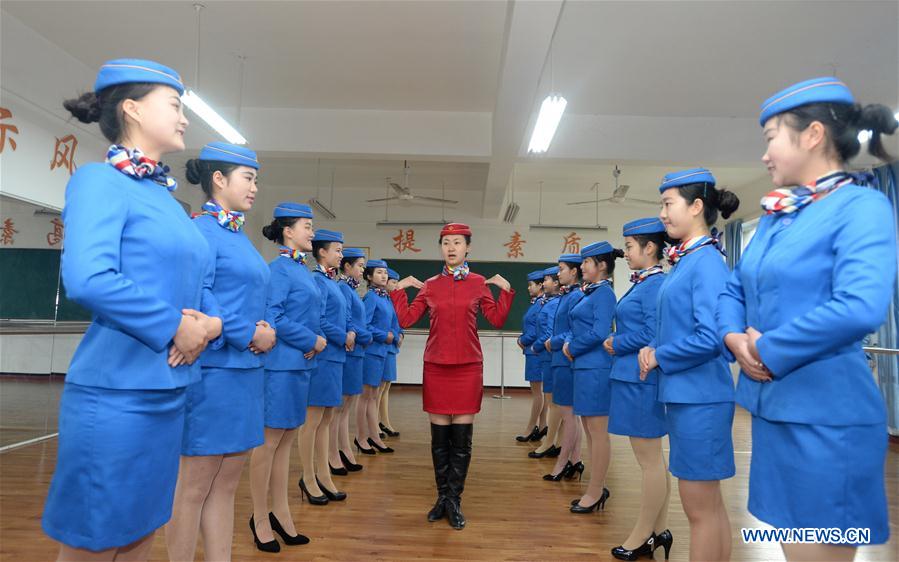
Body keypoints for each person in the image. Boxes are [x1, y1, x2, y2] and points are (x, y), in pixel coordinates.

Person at [43, 58, 221, 560]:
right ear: (132, 109)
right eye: (174, 105)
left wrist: (209, 323)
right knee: (96, 540)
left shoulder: (165, 198)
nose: (184, 118)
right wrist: (173, 327)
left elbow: (196, 282)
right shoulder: (100, 182)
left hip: (167, 392)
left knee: (143, 530)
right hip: (116, 395)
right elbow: (88, 277)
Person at [719, 77, 897, 561]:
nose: (765, 154)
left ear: (813, 134)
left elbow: (859, 304)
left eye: (771, 136)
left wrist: (765, 349)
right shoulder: (780, 216)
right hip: (774, 410)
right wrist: (736, 339)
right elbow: (735, 287)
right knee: (790, 549)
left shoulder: (862, 206)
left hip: (828, 419)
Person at [167, 143, 272, 562]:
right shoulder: (200, 231)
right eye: (248, 178)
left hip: (246, 372)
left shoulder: (237, 235)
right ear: (219, 179)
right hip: (215, 372)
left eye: (256, 180)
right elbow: (200, 292)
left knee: (226, 486)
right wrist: (248, 331)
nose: (254, 188)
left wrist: (263, 328)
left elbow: (245, 294)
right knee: (194, 487)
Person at [638, 167, 740, 561]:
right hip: (689, 397)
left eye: (668, 204)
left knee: (700, 509)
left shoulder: (706, 263)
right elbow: (680, 326)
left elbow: (712, 336)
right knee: (707, 507)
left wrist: (660, 354)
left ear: (696, 206)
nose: (662, 213)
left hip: (701, 399)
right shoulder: (688, 261)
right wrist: (654, 346)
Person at [391, 223, 514, 530]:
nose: (451, 247)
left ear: (467, 247)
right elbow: (406, 318)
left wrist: (506, 290)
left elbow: (497, 320)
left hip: (468, 367)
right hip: (436, 366)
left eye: (457, 242)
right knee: (439, 440)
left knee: (461, 441)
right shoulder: (430, 284)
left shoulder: (477, 283)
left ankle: (455, 500)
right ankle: (441, 498)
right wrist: (398, 291)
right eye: (446, 242)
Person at [248, 202, 321, 552]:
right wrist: (312, 339)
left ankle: (282, 512)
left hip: (300, 367)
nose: (312, 232)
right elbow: (271, 316)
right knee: (268, 446)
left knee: (286, 444)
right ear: (288, 231)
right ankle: (259, 517)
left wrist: (314, 343)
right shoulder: (278, 269)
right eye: (306, 226)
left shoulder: (302, 270)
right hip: (280, 367)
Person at [604, 218, 672, 560]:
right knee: (652, 460)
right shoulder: (645, 283)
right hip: (635, 378)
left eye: (630, 246)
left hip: (641, 378)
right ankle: (659, 531)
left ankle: (642, 534)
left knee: (649, 461)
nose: (626, 252)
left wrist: (617, 341)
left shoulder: (655, 285)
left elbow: (650, 334)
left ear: (649, 248)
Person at [299, 229, 349, 505]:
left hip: (335, 357)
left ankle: (322, 473)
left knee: (327, 419)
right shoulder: (317, 280)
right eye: (337, 250)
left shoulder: (332, 282)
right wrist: (343, 336)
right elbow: (317, 319)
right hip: (322, 355)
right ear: (322, 252)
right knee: (313, 420)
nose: (341, 255)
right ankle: (308, 477)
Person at [543, 254, 586, 482]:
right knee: (571, 417)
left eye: (561, 269)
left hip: (566, 359)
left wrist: (554, 341)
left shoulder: (577, 296)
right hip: (560, 360)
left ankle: (561, 464)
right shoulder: (568, 295)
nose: (558, 273)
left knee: (569, 416)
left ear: (574, 272)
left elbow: (574, 329)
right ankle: (575, 460)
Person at [329, 248, 372, 474]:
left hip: (357, 353)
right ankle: (334, 453)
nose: (362, 270)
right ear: (347, 267)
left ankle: (344, 449)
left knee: (346, 408)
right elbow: (347, 322)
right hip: (349, 351)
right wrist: (367, 336)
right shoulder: (343, 288)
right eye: (359, 266)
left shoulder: (352, 290)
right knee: (339, 408)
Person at [357, 259, 395, 454]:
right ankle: (362, 438)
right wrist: (384, 335)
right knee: (365, 397)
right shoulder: (371, 297)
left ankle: (374, 436)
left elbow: (393, 322)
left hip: (381, 352)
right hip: (371, 351)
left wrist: (395, 335)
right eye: (379, 272)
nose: (384, 276)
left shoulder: (385, 297)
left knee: (373, 397)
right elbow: (366, 325)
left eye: (385, 272)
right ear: (369, 277)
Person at [528, 267, 563, 459]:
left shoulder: (553, 304)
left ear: (556, 283)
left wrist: (536, 346)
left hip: (550, 356)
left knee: (553, 404)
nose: (544, 283)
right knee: (553, 404)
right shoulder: (549, 302)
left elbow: (549, 333)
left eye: (547, 280)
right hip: (547, 356)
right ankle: (553, 441)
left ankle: (550, 442)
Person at [515, 269, 549, 442]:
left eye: (531, 285)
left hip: (534, 351)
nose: (528, 288)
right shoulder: (539, 303)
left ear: (540, 285)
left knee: (537, 393)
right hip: (536, 351)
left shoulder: (540, 305)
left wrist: (522, 340)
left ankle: (530, 428)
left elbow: (536, 331)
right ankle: (542, 426)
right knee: (540, 392)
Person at [378, 268, 403, 438]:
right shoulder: (377, 299)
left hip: (391, 346)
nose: (395, 285)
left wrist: (401, 333)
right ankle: (377, 424)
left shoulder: (390, 300)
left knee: (386, 386)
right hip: (381, 346)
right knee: (377, 390)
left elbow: (398, 320)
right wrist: (394, 335)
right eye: (393, 282)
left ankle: (384, 421)